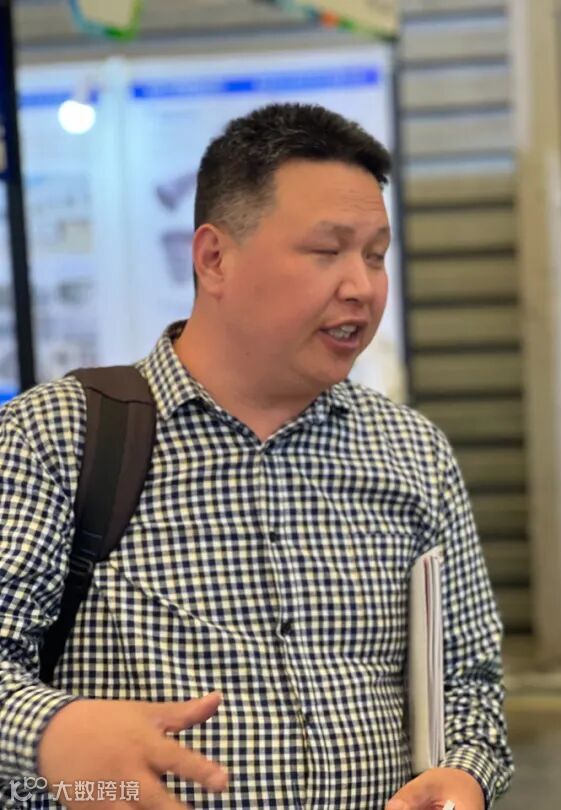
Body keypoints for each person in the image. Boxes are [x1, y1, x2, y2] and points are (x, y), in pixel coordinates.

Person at [0, 103, 512, 808]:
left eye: (375, 255)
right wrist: (51, 734)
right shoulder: (57, 437)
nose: (362, 286)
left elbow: (469, 682)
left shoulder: (413, 452)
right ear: (214, 258)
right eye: (326, 251)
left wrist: (464, 774)